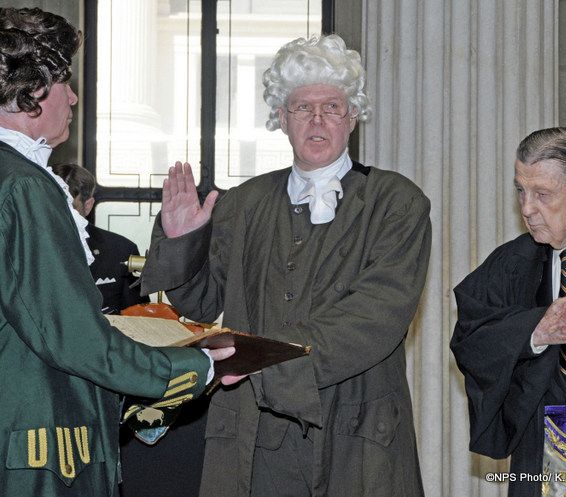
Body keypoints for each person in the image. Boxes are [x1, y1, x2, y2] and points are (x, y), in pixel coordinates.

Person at [140, 34, 431, 496]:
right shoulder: (243, 203)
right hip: (254, 438)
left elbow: (379, 312)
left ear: (353, 116)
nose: (317, 119)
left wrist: (269, 362)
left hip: (355, 428)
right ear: (280, 117)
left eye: (332, 107)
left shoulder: (395, 201)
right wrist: (182, 241)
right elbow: (198, 303)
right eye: (302, 107)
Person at [0, 8, 240, 497]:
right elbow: (73, 339)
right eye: (63, 79)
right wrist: (198, 369)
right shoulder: (24, 187)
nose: (72, 96)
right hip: (39, 451)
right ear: (29, 90)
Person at [450, 127, 566, 497]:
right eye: (520, 190)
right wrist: (535, 332)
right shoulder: (514, 261)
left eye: (542, 194)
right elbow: (471, 339)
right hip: (548, 446)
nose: (526, 209)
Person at [52, 163, 149, 314]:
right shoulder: (24, 247)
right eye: (52, 208)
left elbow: (140, 321)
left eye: (71, 209)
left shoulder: (121, 251)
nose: (59, 217)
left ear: (88, 205)